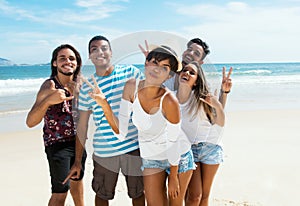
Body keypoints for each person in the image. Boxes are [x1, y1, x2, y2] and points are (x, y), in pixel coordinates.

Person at [85, 45, 195, 206]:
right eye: (154, 63)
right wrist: (104, 104)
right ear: (146, 63)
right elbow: (121, 132)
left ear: (168, 76)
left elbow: (174, 140)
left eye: (164, 68)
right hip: (151, 158)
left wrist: (173, 175)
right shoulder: (131, 87)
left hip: (178, 158)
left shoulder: (169, 101)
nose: (157, 69)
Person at [64, 35, 145, 206]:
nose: (99, 52)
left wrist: (152, 61)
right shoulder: (86, 87)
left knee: (137, 193)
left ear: (111, 52)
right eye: (94, 49)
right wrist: (77, 161)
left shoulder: (131, 72)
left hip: (133, 146)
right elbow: (83, 126)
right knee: (102, 195)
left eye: (103, 48)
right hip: (104, 151)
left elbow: (152, 94)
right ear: (90, 56)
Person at [26, 44, 87, 206]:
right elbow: (30, 122)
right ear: (55, 63)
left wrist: (78, 159)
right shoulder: (49, 86)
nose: (68, 61)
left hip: (79, 144)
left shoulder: (81, 86)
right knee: (60, 193)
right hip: (57, 145)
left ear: (77, 63)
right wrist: (48, 101)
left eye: (72, 58)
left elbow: (84, 123)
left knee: (77, 184)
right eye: (62, 58)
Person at [176, 61, 225, 206]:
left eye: (192, 72)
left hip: (211, 147)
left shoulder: (202, 98)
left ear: (197, 81)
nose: (187, 73)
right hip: (190, 150)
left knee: (205, 196)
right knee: (195, 196)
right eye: (185, 70)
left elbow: (220, 122)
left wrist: (217, 103)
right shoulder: (170, 97)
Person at [139, 38, 233, 107]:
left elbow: (215, 113)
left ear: (200, 62)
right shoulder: (166, 74)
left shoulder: (203, 86)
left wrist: (224, 92)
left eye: (196, 53)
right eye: (189, 49)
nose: (190, 53)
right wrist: (151, 64)